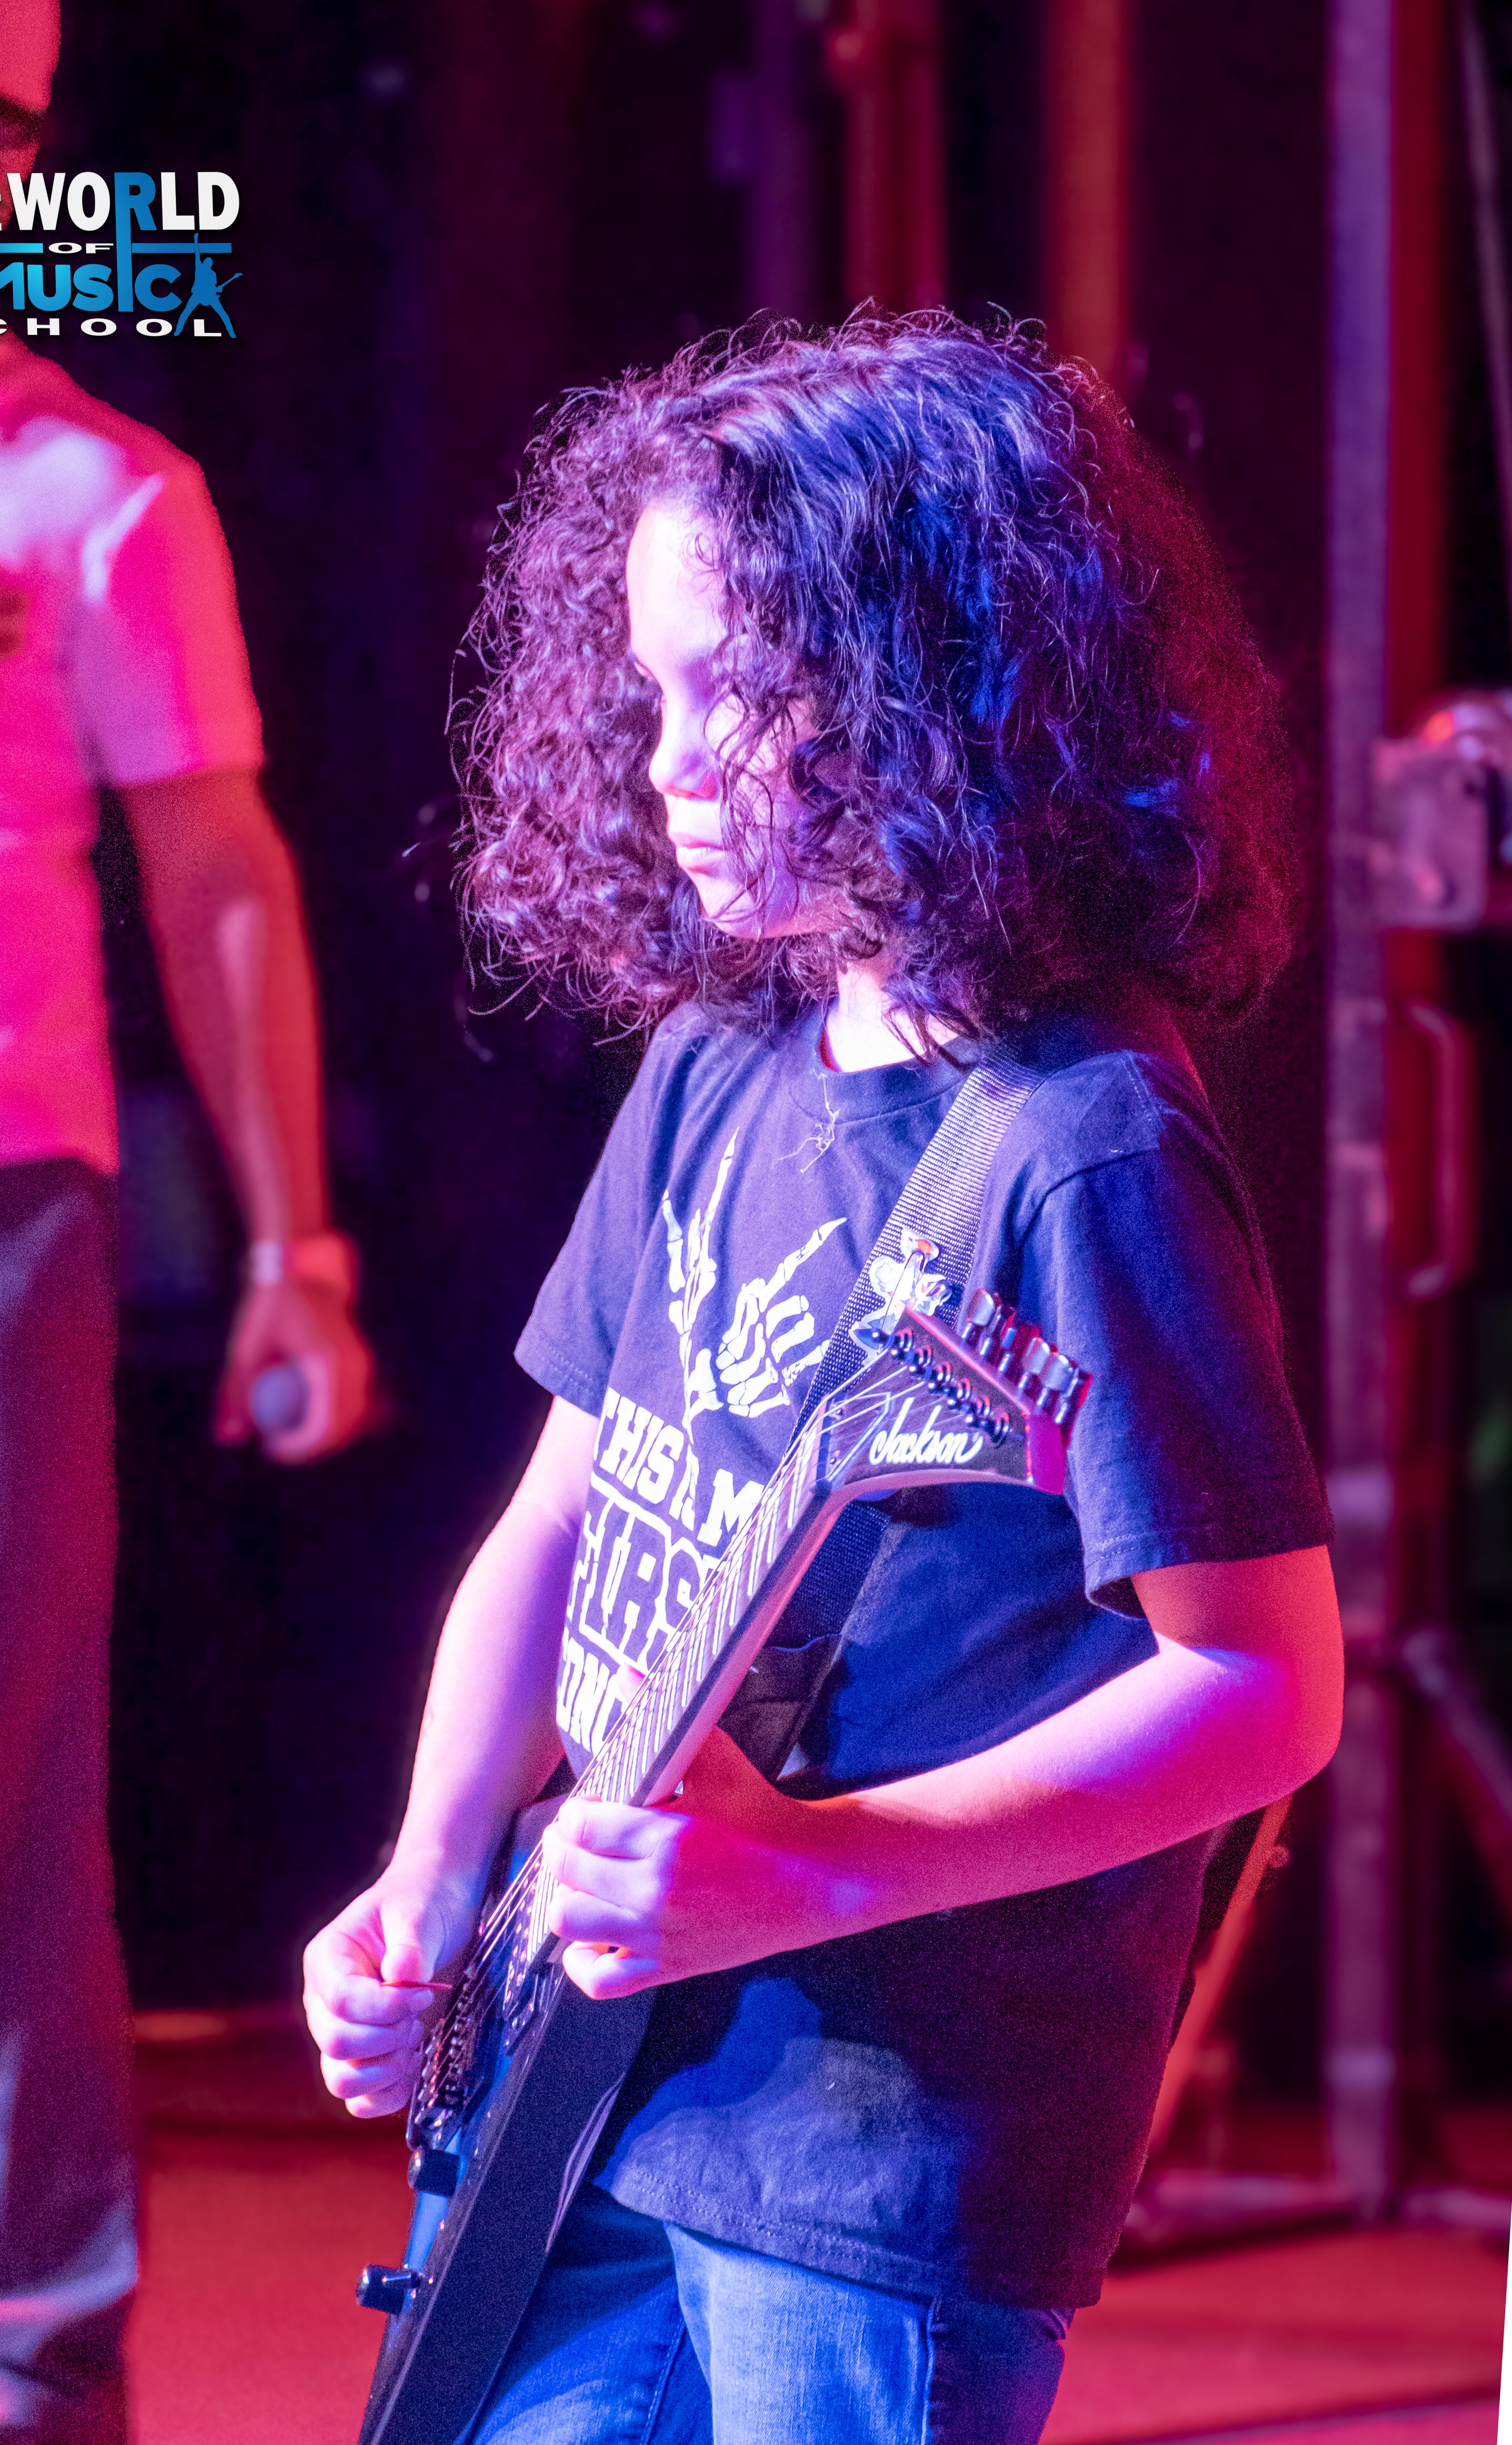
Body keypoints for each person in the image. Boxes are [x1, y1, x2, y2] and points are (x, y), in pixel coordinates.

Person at [302, 317, 1343, 2444]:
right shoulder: (716, 1063)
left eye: (736, 694)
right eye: (651, 689)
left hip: (875, 2155)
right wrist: (426, 1880)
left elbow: (1263, 1687)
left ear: (934, 689)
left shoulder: (1083, 1150)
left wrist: (817, 1869)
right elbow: (557, 1517)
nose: (667, 759)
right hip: (587, 2074)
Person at [0, 5, 374, 2443]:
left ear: (22, 171)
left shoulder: (97, 485)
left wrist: (292, 1246)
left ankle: (30, 2364)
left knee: (7, 1822)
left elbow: (218, 870)